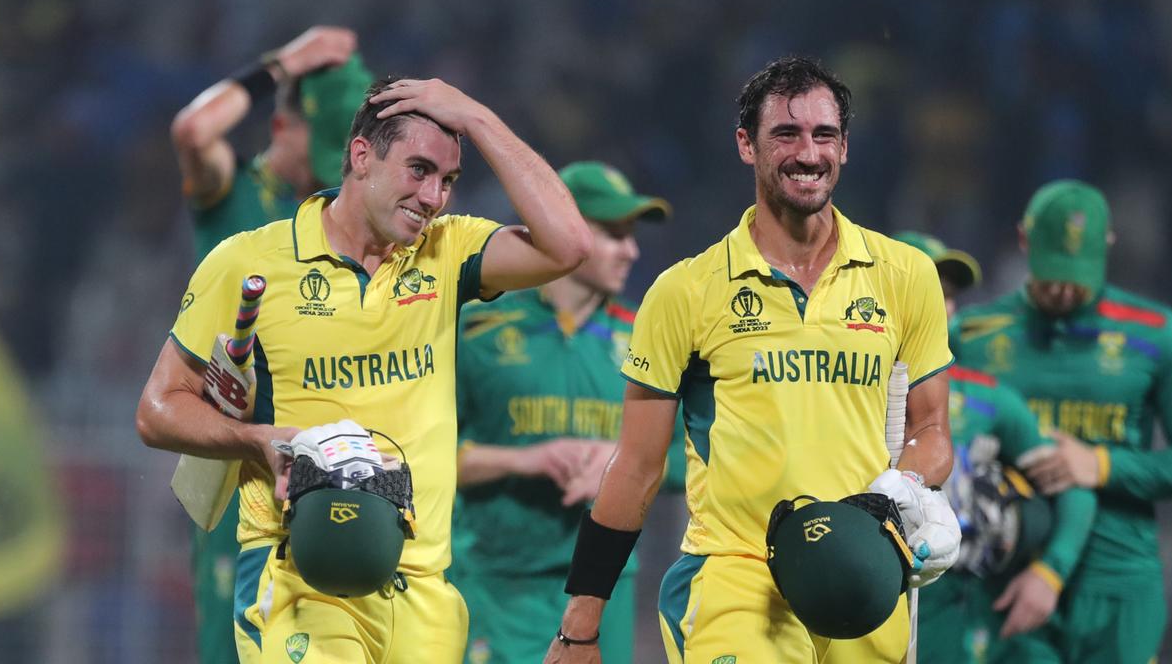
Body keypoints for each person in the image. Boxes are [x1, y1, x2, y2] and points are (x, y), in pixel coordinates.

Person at [137, 75, 592, 664]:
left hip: (424, 592)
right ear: (360, 155)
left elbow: (570, 245)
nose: (434, 197)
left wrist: (477, 116)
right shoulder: (250, 261)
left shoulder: (448, 252)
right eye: (419, 170)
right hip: (304, 574)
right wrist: (258, 440)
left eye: (449, 180)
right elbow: (157, 409)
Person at [546, 56, 961, 664]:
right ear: (747, 145)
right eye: (785, 134)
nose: (807, 153)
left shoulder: (906, 274)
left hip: (864, 574)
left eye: (824, 135)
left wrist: (892, 495)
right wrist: (581, 625)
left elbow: (931, 433)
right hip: (738, 577)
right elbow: (635, 468)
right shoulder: (685, 290)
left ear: (844, 148)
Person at [169, 25, 372, 664]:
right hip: (238, 456)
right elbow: (193, 133)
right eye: (331, 145)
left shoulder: (338, 218)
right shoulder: (236, 194)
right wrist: (282, 65)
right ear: (285, 129)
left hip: (322, 456)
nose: (344, 168)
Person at [450, 161, 684, 664]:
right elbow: (423, 455)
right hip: (498, 587)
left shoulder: (645, 334)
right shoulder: (475, 331)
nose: (632, 250)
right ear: (566, 231)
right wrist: (523, 461)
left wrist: (617, 458)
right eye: (613, 234)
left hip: (606, 590)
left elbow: (691, 453)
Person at [950, 180, 1172, 664]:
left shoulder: (1157, 334)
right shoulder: (972, 336)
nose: (1062, 287)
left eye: (1077, 273)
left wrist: (1101, 465)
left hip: (1118, 584)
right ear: (1023, 241)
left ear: (1108, 246)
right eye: (1051, 270)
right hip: (1010, 580)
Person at [895, 231, 1097, 664]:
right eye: (929, 291)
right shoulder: (841, 384)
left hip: (949, 616)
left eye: (948, 295)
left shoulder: (986, 399)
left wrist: (1050, 572)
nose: (944, 306)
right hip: (855, 599)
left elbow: (1073, 488)